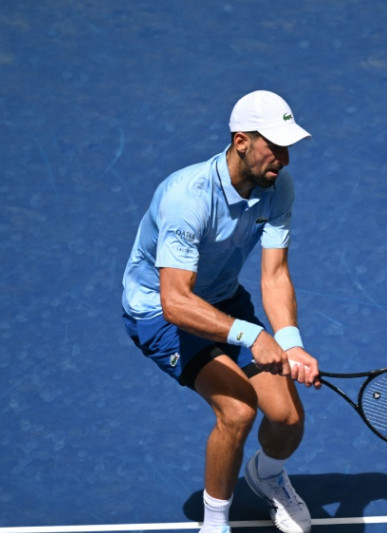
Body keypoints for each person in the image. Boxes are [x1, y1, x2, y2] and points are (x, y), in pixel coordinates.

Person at [121, 90, 321, 533]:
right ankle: (214, 525)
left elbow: (274, 277)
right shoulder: (187, 197)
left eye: (287, 146)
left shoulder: (276, 186)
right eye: (274, 145)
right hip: (159, 311)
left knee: (287, 419)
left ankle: (266, 475)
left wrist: (291, 344)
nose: (283, 158)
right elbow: (175, 302)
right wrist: (253, 336)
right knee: (238, 411)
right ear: (241, 141)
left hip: (223, 298)